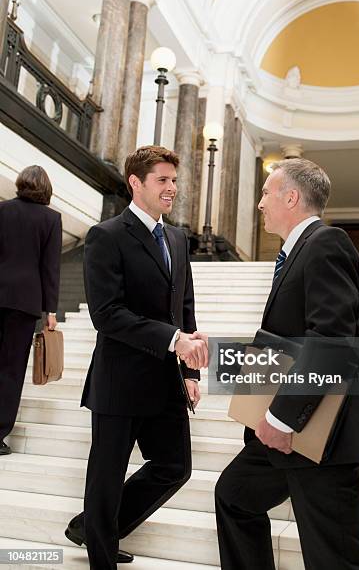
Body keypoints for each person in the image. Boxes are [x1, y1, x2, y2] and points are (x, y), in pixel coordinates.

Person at [214, 159, 359, 570]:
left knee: (333, 558)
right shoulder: (297, 253)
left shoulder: (327, 243)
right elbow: (292, 337)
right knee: (233, 496)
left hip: (321, 438)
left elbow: (331, 343)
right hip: (283, 435)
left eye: (267, 193)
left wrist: (282, 418)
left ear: (291, 197)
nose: (260, 203)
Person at [65, 145, 209, 569]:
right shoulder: (106, 236)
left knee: (174, 466)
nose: (172, 189)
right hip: (120, 378)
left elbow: (184, 308)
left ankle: (92, 527)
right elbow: (106, 315)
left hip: (165, 379)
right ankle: (101, 553)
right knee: (106, 476)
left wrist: (188, 371)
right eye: (163, 180)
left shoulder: (178, 239)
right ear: (135, 182)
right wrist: (173, 340)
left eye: (174, 181)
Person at [0, 166, 61, 455]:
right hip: (25, 303)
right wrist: (50, 309)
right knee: (11, 370)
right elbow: (50, 267)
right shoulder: (51, 219)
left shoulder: (3, 210)